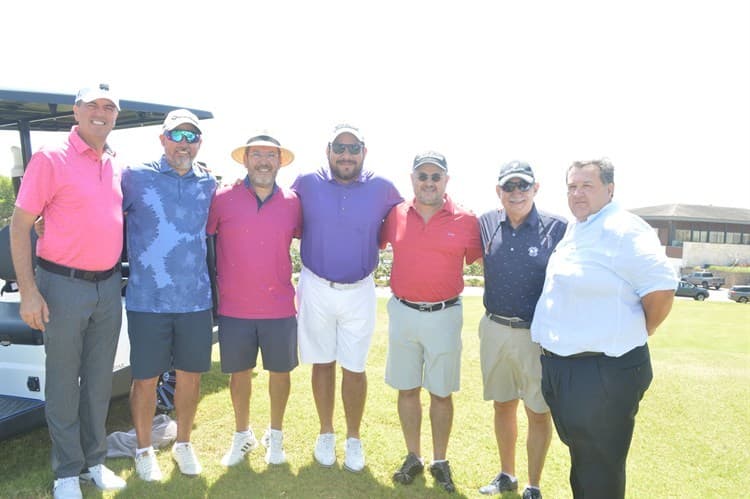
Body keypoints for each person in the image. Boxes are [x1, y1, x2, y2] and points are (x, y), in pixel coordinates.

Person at [531, 158, 678, 498]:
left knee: (600, 468)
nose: (577, 193)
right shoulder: (580, 227)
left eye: (587, 185)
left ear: (610, 189)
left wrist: (640, 330)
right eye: (571, 186)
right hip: (566, 368)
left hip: (601, 372)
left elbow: (661, 289)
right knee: (584, 460)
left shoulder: (623, 229)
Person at [10, 84, 127, 498]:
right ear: (76, 112)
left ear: (116, 115)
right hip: (61, 286)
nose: (100, 113)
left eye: (108, 107)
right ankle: (66, 472)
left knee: (98, 381)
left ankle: (94, 462)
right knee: (63, 382)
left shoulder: (114, 162)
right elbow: (21, 226)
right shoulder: (50, 157)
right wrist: (29, 292)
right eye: (91, 105)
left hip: (109, 286)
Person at [291, 124, 402, 472]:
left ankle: (353, 438)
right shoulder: (306, 183)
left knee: (355, 367)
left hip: (360, 289)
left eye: (353, 148)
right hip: (316, 285)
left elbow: (404, 222)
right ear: (328, 151)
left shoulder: (383, 188)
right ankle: (326, 432)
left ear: (364, 153)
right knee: (322, 363)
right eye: (340, 147)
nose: (346, 154)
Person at [123, 110, 216, 481]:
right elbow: (96, 206)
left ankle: (183, 444)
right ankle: (144, 450)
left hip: (195, 300)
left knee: (190, 377)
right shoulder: (134, 177)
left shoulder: (208, 183)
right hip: (147, 300)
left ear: (199, 144)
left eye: (191, 136)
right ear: (162, 139)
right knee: (145, 378)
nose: (184, 142)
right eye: (177, 135)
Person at [381, 151, 482, 493]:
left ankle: (440, 459)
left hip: (445, 315)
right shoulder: (395, 215)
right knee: (407, 388)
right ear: (412, 180)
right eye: (422, 176)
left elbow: (487, 259)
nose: (428, 182)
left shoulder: (466, 220)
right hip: (403, 312)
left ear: (446, 181)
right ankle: (413, 456)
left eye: (435, 176)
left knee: (440, 392)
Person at [207, 134, 301, 467]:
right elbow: (201, 240)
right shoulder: (221, 199)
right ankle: (242, 435)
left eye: (270, 155)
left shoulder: (293, 202)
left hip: (279, 307)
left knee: (280, 373)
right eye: (257, 154)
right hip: (234, 307)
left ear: (280, 161)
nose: (263, 161)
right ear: (245, 160)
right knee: (239, 375)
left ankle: (275, 437)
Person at [477, 161, 567, 499]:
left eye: (523, 186)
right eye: (509, 187)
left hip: (536, 335)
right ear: (499, 191)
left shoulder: (558, 228)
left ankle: (534, 485)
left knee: (537, 411)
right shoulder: (486, 223)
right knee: (502, 405)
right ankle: (507, 475)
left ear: (535, 188)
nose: (517, 193)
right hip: (494, 328)